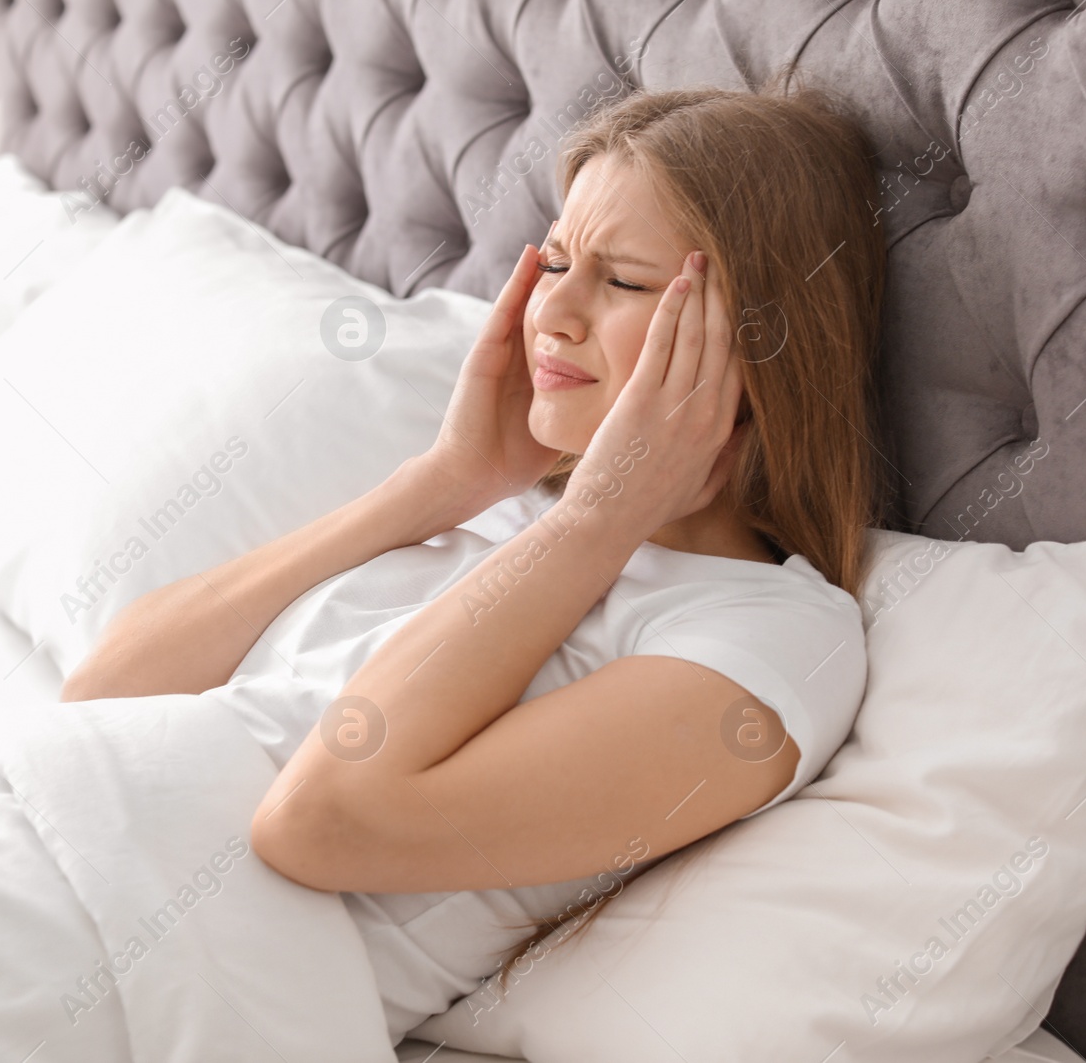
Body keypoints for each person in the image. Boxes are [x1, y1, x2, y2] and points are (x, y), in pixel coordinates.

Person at [60, 79, 890, 1038]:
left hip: (103, 959)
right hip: (17, 829)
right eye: (558, 260)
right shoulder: (504, 523)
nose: (554, 312)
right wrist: (440, 483)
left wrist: (596, 522)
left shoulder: (776, 639)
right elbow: (98, 694)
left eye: (620, 281)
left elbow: (318, 823)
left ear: (756, 343)